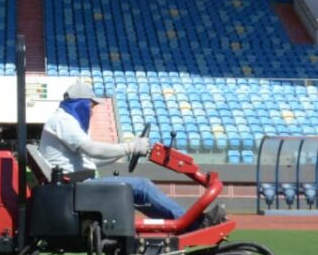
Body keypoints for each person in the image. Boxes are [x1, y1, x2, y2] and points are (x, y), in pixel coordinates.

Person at [39, 82, 225, 226]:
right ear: (79, 103)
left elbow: (91, 159)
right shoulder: (63, 120)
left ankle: (184, 223)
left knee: (139, 189)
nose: (91, 112)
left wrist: (127, 151)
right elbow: (91, 149)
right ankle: (192, 223)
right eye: (90, 106)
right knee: (141, 186)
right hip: (74, 188)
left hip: (74, 185)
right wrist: (129, 148)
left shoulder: (63, 121)